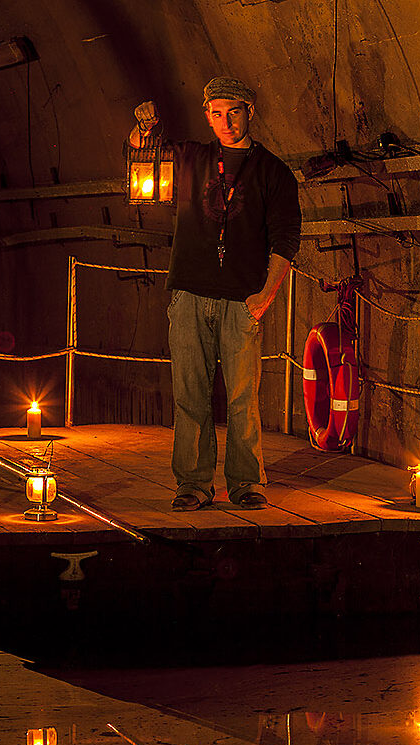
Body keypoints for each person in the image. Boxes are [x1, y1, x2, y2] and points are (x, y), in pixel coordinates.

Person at [126, 76, 301, 511]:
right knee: (190, 395)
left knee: (243, 398)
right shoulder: (189, 157)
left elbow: (285, 241)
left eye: (234, 112)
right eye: (217, 114)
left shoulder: (273, 172)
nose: (226, 122)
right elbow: (139, 153)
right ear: (207, 115)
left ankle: (246, 483)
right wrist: (143, 130)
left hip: (241, 300)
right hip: (188, 294)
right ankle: (192, 484)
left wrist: (264, 297)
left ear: (250, 112)